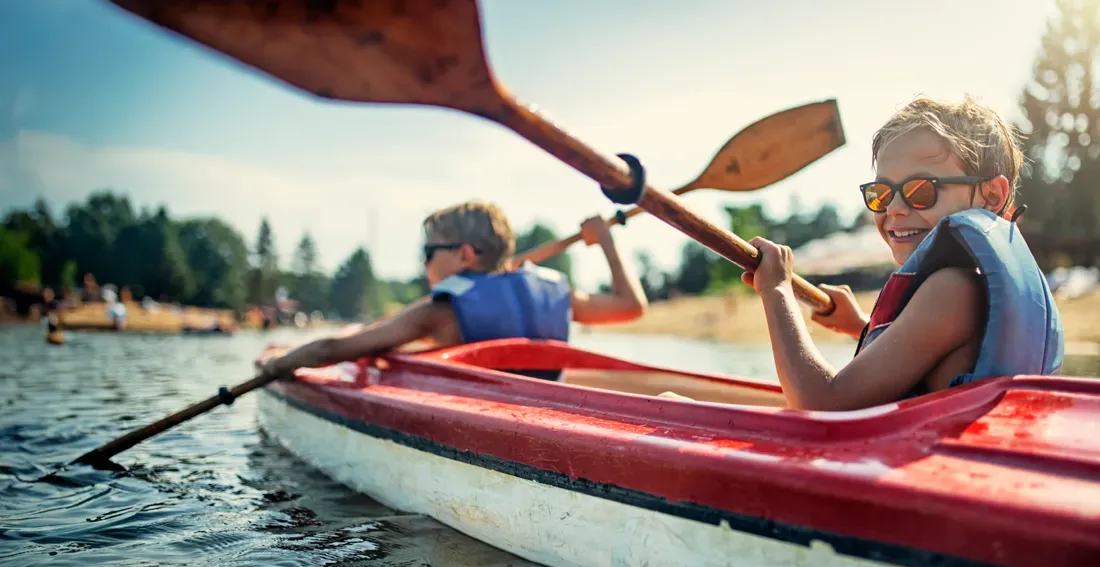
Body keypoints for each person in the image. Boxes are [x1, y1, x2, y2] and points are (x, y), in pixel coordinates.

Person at [731, 96, 1063, 411]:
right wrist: (861, 326)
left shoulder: (951, 290)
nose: (895, 209)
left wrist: (777, 289)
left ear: (991, 196)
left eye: (921, 191)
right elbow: (925, 354)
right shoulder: (964, 290)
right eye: (881, 194)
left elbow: (821, 404)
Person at [262, 200, 647, 377]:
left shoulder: (438, 312)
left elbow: (333, 350)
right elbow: (631, 306)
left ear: (464, 256)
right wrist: (607, 243)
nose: (423, 263)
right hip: (549, 413)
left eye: (428, 251)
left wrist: (277, 364)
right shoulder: (556, 294)